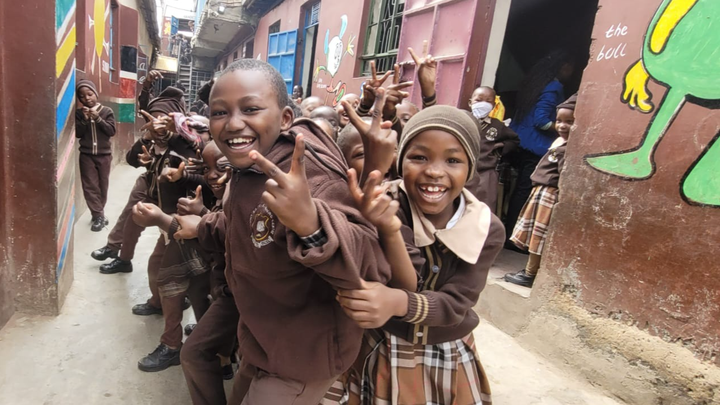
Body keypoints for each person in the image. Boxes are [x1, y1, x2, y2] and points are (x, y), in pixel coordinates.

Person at [172, 59, 392, 404]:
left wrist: (311, 224)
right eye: (219, 112)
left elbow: (370, 261)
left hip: (302, 357)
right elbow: (242, 224)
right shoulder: (249, 166)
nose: (233, 123)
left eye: (250, 109)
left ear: (286, 118)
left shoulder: (305, 174)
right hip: (262, 339)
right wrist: (201, 224)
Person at [331, 104, 505, 404]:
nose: (434, 171)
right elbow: (404, 279)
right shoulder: (387, 203)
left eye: (453, 160)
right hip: (383, 342)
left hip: (446, 348)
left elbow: (457, 303)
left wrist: (397, 302)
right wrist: (388, 229)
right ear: (400, 162)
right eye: (419, 157)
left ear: (470, 169)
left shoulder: (486, 227)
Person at [504, 95, 576, 288]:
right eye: (559, 121)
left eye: (570, 122)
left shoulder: (567, 149)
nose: (562, 126)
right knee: (535, 234)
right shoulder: (559, 142)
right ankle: (530, 270)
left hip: (549, 194)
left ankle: (530, 273)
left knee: (539, 237)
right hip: (541, 192)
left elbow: (564, 174)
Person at [504, 50, 574, 239]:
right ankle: (512, 236)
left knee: (519, 189)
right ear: (564, 67)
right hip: (535, 146)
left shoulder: (537, 84)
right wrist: (565, 128)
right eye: (571, 67)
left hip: (522, 142)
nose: (572, 71)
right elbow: (541, 121)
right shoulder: (553, 87)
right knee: (524, 191)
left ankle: (510, 233)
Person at [465, 86, 520, 212]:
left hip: (485, 173)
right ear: (470, 102)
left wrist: (499, 147)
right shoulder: (463, 119)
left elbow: (514, 140)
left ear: (494, 105)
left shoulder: (497, 126)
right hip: (464, 170)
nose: (483, 104)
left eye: (488, 101)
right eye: (478, 100)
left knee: (482, 207)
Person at [75, 79, 116, 232]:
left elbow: (111, 131)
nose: (87, 98)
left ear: (96, 94)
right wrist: (85, 120)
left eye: (90, 94)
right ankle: (98, 215)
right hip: (86, 156)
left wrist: (98, 118)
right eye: (82, 96)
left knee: (103, 185)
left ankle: (99, 213)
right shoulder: (79, 114)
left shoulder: (107, 111)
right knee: (89, 186)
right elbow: (78, 134)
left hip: (104, 155)